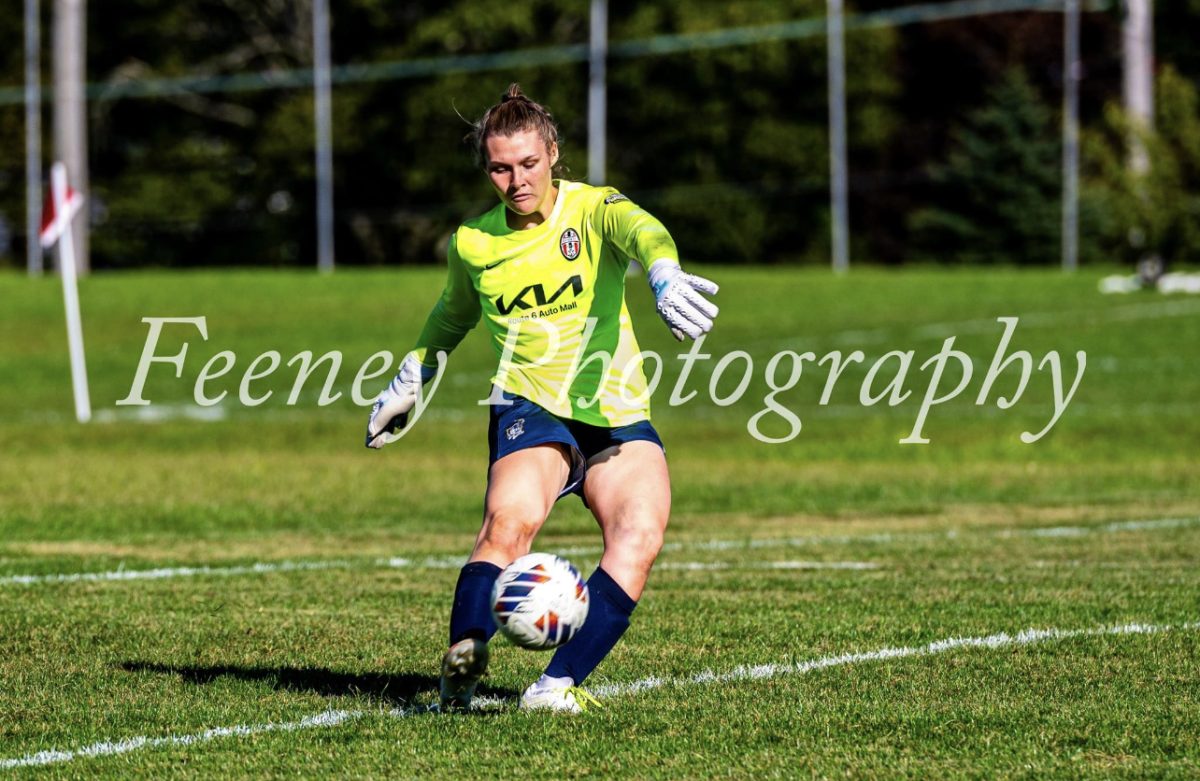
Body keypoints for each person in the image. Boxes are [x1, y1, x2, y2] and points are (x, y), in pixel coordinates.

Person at [365, 84, 719, 713]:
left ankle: (553, 688)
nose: (516, 180)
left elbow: (644, 230)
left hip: (616, 413)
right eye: (501, 167)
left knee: (639, 537)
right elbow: (451, 318)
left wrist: (662, 272)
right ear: (487, 170)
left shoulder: (593, 208)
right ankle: (462, 670)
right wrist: (411, 380)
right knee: (507, 526)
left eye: (529, 163)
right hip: (529, 404)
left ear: (553, 153)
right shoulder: (474, 243)